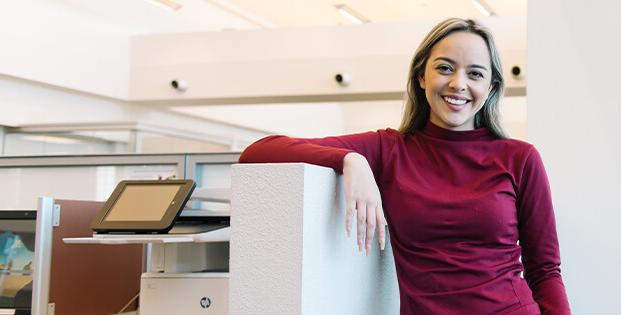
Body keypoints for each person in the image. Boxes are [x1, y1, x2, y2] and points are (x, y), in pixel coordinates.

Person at [238, 18, 570, 315]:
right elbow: (258, 151)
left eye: (475, 74)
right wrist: (348, 158)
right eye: (444, 68)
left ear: (491, 87)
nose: (458, 83)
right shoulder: (389, 149)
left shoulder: (520, 158)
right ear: (421, 77)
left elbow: (545, 271)